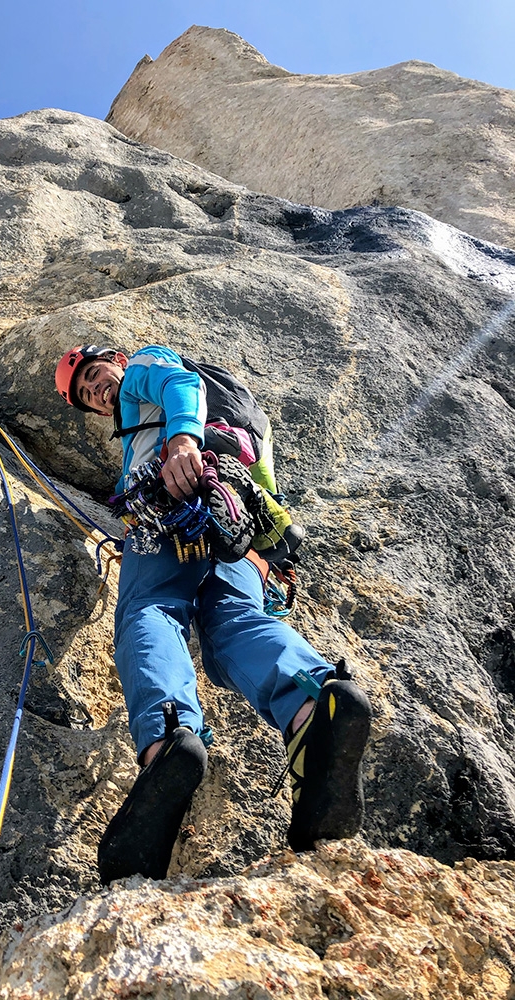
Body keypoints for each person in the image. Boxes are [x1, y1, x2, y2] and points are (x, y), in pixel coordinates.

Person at [55, 343, 372, 884]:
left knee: (150, 610)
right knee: (234, 628)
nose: (98, 392)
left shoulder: (144, 371)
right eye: (86, 396)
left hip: (170, 503)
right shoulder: (235, 415)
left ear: (116, 358)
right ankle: (312, 710)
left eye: (94, 375)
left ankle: (167, 742)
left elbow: (181, 385)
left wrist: (180, 440)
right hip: (237, 523)